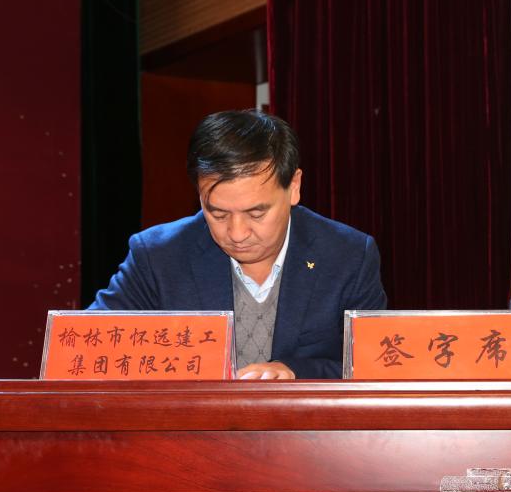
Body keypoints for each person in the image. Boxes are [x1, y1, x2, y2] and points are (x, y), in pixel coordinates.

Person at [90, 109, 387, 379]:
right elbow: (91, 350)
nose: (237, 233)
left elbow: (374, 365)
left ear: (294, 187)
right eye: (218, 214)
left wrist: (296, 372)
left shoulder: (348, 256)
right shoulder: (158, 256)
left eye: (256, 213)